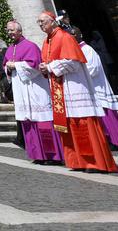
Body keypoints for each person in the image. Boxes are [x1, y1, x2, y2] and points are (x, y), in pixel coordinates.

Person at [38, 9, 117, 172]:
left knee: (82, 124)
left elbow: (73, 62)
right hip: (60, 89)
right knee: (69, 125)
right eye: (38, 23)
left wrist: (50, 66)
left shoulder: (64, 37)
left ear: (52, 21)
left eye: (43, 21)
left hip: (74, 87)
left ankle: (94, 162)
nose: (40, 25)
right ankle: (77, 161)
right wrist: (45, 68)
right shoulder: (47, 41)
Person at [3, 20, 64, 164]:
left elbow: (35, 67)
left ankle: (52, 156)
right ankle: (37, 155)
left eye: (12, 30)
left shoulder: (30, 46)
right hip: (21, 93)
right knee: (28, 123)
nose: (10, 33)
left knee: (43, 123)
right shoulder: (10, 49)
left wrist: (16, 64)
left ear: (19, 31)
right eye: (8, 31)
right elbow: (5, 66)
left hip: (35, 91)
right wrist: (9, 67)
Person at [73, 27, 118, 148]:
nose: (73, 36)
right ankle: (107, 140)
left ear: (80, 35)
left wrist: (76, 73)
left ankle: (114, 140)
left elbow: (92, 69)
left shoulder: (87, 49)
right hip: (90, 89)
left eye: (74, 34)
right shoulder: (76, 50)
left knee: (106, 115)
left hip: (98, 88)